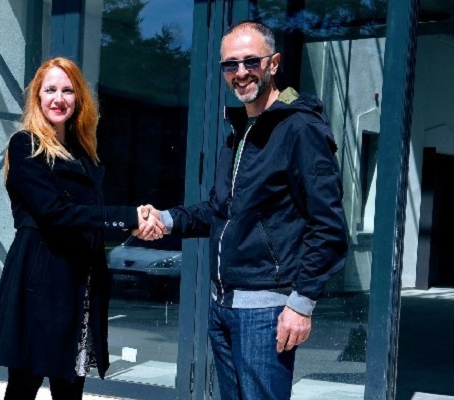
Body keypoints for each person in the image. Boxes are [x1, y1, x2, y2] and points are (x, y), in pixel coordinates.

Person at [141, 21, 347, 399]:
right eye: (230, 64)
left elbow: (329, 226)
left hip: (265, 313)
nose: (240, 72)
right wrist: (165, 220)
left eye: (251, 61)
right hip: (223, 306)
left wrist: (301, 304)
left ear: (273, 63)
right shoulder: (240, 130)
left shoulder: (300, 129)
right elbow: (221, 211)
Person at [0, 57, 163, 400]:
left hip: (80, 282)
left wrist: (137, 225)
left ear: (78, 98)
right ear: (37, 96)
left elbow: (91, 217)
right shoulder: (25, 145)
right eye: (50, 90)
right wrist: (129, 216)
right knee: (23, 387)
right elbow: (56, 213)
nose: (58, 98)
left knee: (70, 390)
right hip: (39, 283)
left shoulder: (84, 153)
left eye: (67, 90)